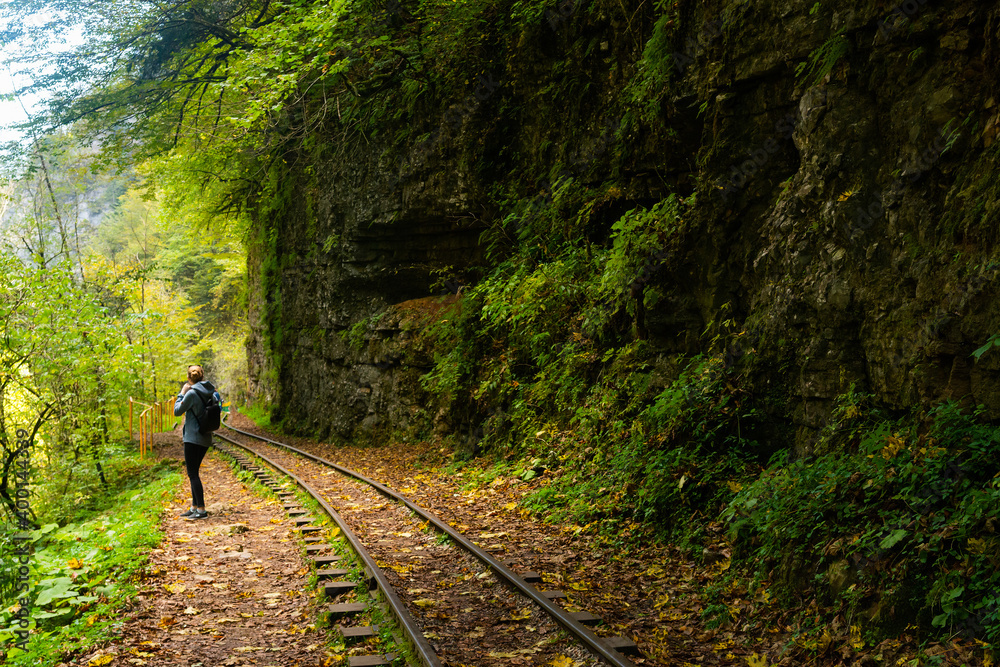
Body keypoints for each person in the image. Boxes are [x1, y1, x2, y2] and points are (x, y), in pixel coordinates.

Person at [173, 365, 220, 520]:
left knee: (192, 474)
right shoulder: (210, 392)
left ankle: (201, 510)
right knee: (194, 473)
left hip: (192, 438)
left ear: (189, 378)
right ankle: (194, 507)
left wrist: (182, 393)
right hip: (205, 437)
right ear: (202, 376)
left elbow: (177, 411)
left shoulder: (191, 393)